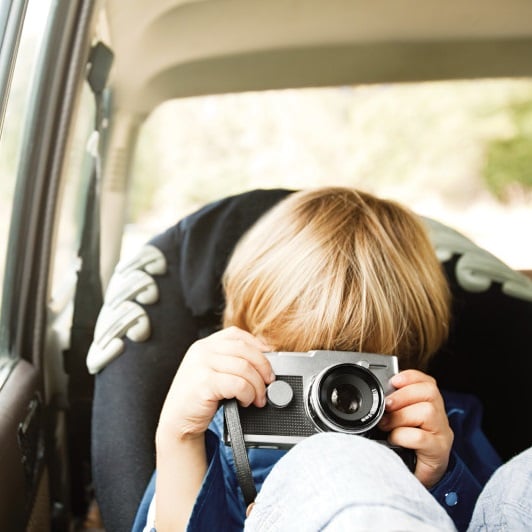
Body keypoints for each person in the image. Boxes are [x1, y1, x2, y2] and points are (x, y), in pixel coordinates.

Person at [133, 187, 503, 532]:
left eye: (355, 376)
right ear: (244, 341)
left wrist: (440, 476)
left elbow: (493, 518)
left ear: (403, 362)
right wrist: (178, 439)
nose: (331, 400)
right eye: (292, 371)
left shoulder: (442, 423)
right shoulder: (219, 429)